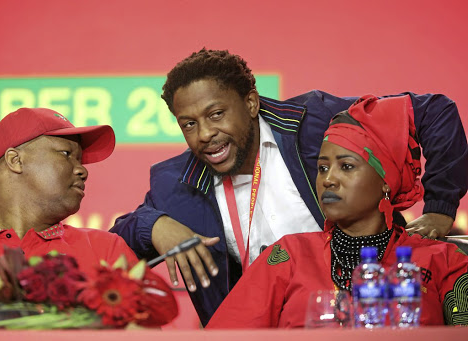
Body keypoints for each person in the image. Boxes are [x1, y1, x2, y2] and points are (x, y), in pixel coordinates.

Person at [110, 49, 468, 325]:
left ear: (250, 102)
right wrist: (155, 225)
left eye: (216, 114)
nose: (204, 134)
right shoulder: (175, 183)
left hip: (370, 307)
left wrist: (439, 207)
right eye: (188, 124)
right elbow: (114, 246)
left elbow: (433, 112)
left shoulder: (315, 122)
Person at [206, 95, 468, 328]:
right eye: (322, 168)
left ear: (385, 180)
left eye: (346, 166)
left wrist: (441, 207)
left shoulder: (442, 259)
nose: (328, 180)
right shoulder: (288, 256)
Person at [0, 107, 140, 281]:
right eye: (66, 154)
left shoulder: (106, 251)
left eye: (80, 160)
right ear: (15, 160)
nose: (83, 171)